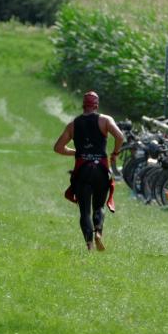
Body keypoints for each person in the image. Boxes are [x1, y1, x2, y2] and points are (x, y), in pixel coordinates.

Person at [54, 91, 124, 251]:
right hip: (100, 169)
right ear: (96, 105)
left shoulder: (73, 125)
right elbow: (120, 137)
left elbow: (58, 148)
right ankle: (98, 232)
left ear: (83, 105)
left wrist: (77, 152)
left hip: (83, 169)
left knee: (85, 211)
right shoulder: (105, 120)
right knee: (99, 207)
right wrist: (115, 153)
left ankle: (90, 246)